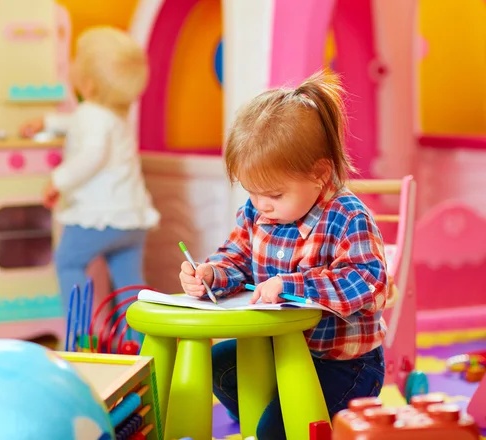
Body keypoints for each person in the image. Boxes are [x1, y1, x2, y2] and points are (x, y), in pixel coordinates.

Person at [178, 70, 387, 439]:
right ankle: (266, 420)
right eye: (252, 192)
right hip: (276, 353)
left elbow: (368, 282)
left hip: (342, 365)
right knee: (217, 366)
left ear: (321, 174)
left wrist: (291, 286)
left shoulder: (348, 216)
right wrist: (211, 273)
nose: (262, 205)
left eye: (274, 195)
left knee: (277, 430)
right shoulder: (257, 211)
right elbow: (237, 258)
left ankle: (275, 426)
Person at [21, 26, 160, 323]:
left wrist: (57, 180)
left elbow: (91, 154)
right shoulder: (114, 116)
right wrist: (48, 121)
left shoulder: (91, 115)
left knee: (68, 262)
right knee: (129, 283)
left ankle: (80, 334)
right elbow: (78, 124)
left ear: (87, 83)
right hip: (132, 219)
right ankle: (140, 342)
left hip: (99, 218)